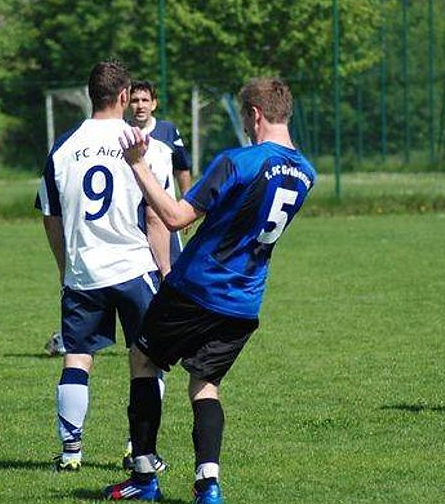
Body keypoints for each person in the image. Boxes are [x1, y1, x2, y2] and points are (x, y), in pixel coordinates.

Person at [103, 77, 316, 502]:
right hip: (244, 301)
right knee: (204, 384)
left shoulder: (239, 161)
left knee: (143, 358)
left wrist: (137, 165)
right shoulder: (307, 173)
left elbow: (177, 217)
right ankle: (208, 485)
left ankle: (144, 477)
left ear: (254, 115)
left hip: (197, 288)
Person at [35, 60, 173, 472]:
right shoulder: (148, 146)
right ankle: (139, 449)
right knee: (147, 359)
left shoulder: (62, 147)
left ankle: (71, 452)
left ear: (90, 94)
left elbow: (50, 216)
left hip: (83, 273)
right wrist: (166, 275)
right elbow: (155, 217)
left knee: (76, 358)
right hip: (134, 269)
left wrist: (66, 268)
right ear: (125, 96)